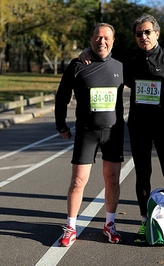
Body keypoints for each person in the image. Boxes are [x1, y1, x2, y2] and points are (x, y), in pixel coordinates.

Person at [78, 14, 164, 246]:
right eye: (139, 34)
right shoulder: (129, 60)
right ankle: (144, 221)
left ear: (157, 33)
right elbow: (103, 52)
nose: (143, 37)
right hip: (139, 127)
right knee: (142, 176)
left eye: (147, 32)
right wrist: (85, 52)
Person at [54, 23, 125, 247]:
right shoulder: (77, 64)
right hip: (87, 132)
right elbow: (62, 96)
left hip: (113, 133)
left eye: (106, 38)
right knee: (77, 181)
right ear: (91, 38)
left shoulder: (122, 65)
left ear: (113, 41)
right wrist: (61, 125)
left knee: (112, 179)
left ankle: (110, 224)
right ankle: (71, 226)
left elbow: (146, 80)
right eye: (97, 37)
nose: (101, 41)